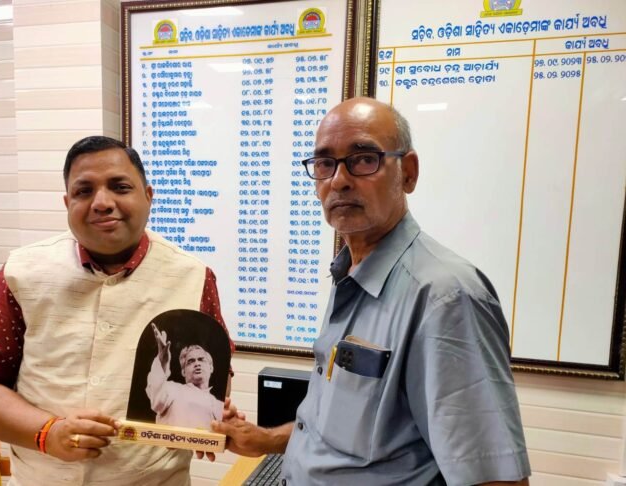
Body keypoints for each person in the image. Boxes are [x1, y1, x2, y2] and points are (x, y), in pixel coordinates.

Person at [212, 98, 531, 486]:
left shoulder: (444, 297)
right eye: (325, 164)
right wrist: (265, 439)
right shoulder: (350, 273)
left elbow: (496, 480)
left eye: (364, 159)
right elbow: (343, 438)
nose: (339, 180)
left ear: (408, 173)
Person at [0, 136, 232, 486]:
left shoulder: (193, 276)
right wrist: (48, 433)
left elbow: (217, 376)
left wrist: (209, 422)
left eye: (120, 186)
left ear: (148, 195)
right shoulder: (23, 271)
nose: (102, 202)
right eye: (84, 191)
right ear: (67, 201)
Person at [146, 323, 223, 429]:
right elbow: (157, 400)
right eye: (191, 361)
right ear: (183, 372)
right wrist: (162, 361)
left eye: (201, 359)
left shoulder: (220, 405)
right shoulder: (172, 389)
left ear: (211, 368)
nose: (197, 364)